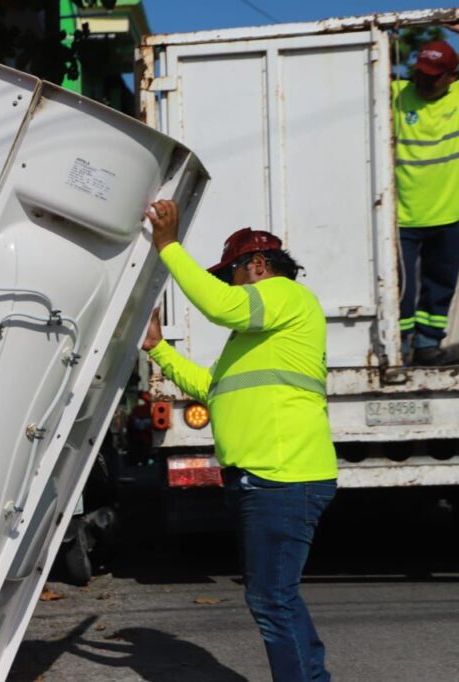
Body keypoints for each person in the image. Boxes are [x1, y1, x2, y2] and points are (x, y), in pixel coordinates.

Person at [142, 200, 338, 682]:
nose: (230, 285)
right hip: (268, 476)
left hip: (282, 475)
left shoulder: (285, 297)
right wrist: (158, 348)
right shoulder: (261, 330)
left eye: (231, 274)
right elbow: (212, 388)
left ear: (256, 266)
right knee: (276, 596)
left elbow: (220, 305)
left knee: (271, 598)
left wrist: (168, 246)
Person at [393, 39, 459, 365]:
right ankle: (400, 345)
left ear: (452, 77)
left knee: (440, 284)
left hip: (449, 214)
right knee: (400, 291)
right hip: (402, 216)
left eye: (434, 76)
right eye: (420, 73)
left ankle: (427, 345)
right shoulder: (396, 94)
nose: (424, 81)